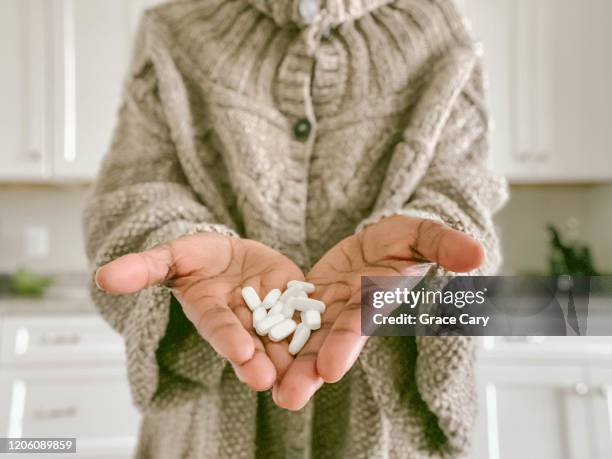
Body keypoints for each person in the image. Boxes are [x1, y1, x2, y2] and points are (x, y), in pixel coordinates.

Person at [83, 0, 507, 457]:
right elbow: (135, 188)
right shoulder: (172, 30)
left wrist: (426, 230)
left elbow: (463, 189)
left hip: (377, 426)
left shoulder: (440, 30)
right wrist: (175, 238)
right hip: (207, 426)